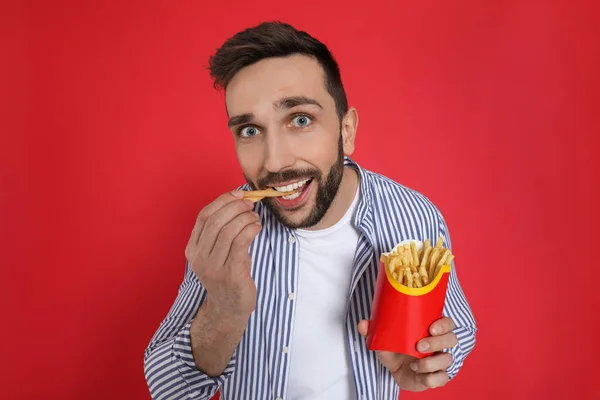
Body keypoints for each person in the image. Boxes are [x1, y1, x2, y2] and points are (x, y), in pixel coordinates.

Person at [143, 21, 477, 400]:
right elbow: (168, 388)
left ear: (346, 131)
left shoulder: (413, 218)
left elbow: (459, 330)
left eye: (300, 120)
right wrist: (225, 308)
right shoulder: (227, 234)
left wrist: (426, 358)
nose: (275, 160)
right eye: (250, 130)